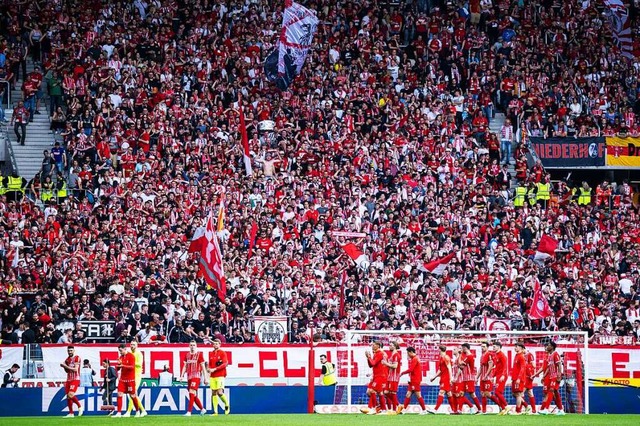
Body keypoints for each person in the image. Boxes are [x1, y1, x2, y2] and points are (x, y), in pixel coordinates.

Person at [113, 343, 145, 418]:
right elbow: (118, 369)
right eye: (119, 351)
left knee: (133, 396)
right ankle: (119, 413)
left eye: (121, 350)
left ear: (125, 349)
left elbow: (132, 367)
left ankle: (137, 411)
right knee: (119, 394)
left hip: (130, 380)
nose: (120, 352)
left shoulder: (131, 356)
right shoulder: (121, 357)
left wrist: (123, 365)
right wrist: (118, 365)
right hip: (122, 380)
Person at [535, 341, 565, 415]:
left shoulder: (555, 354)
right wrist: (544, 376)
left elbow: (559, 364)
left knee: (551, 390)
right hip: (551, 375)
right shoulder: (549, 356)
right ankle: (561, 410)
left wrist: (559, 375)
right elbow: (548, 367)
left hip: (555, 375)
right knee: (555, 392)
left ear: (552, 347)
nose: (547, 347)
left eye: (548, 345)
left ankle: (546, 409)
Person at [360, 340, 387, 415]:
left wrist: (369, 357)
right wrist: (368, 358)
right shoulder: (375, 354)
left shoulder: (380, 353)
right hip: (375, 375)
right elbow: (371, 365)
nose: (372, 346)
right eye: (372, 345)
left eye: (374, 345)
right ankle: (382, 409)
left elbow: (373, 363)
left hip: (380, 376)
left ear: (378, 346)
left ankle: (374, 408)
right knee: (379, 393)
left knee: (372, 391)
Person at [397, 346, 427, 415]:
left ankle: (424, 410)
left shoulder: (415, 359)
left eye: (408, 353)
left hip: (415, 380)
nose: (407, 355)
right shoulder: (415, 358)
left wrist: (402, 373)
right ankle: (404, 410)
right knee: (408, 394)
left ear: (411, 352)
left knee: (418, 395)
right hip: (413, 380)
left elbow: (411, 369)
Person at [181, 340, 207, 416]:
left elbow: (203, 367)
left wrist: (205, 378)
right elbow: (185, 366)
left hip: (196, 376)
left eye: (194, 345)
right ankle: (202, 409)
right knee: (193, 395)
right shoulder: (187, 355)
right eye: (191, 345)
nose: (192, 347)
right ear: (189, 346)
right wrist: (182, 375)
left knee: (192, 392)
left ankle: (189, 412)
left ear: (196, 346)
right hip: (189, 376)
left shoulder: (199, 355)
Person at [477, 341, 500, 414]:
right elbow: (481, 367)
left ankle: (501, 405)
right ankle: (484, 411)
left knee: (488, 394)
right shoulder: (482, 355)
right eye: (481, 346)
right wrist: (477, 377)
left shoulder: (489, 354)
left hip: (488, 378)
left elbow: (490, 366)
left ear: (487, 347)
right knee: (482, 394)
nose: (482, 348)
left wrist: (486, 375)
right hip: (482, 378)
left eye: (484, 346)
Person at [208, 338, 229, 416]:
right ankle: (215, 412)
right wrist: (209, 369)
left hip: (220, 375)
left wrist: (215, 369)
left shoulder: (223, 353)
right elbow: (210, 364)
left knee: (220, 392)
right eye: (214, 343)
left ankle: (227, 405)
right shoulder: (211, 353)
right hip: (212, 376)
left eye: (217, 343)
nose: (215, 345)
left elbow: (225, 364)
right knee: (213, 392)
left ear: (220, 344)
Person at [125, 340, 147, 416]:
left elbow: (139, 364)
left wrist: (131, 363)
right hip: (130, 375)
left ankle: (128, 412)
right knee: (133, 394)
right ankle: (143, 411)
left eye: (133, 344)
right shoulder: (129, 353)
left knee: (132, 393)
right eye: (131, 344)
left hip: (137, 375)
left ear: (137, 345)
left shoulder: (139, 354)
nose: (132, 346)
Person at [60, 345, 83, 417]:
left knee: (71, 394)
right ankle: (71, 413)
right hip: (68, 379)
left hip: (75, 379)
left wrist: (65, 366)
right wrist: (64, 367)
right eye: (68, 351)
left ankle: (80, 407)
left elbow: (76, 369)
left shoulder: (77, 358)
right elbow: (67, 371)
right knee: (68, 396)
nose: (70, 352)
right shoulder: (67, 359)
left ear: (74, 351)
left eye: (71, 350)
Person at [430, 345, 454, 414]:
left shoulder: (446, 358)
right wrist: (434, 377)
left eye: (438, 349)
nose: (438, 350)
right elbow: (440, 370)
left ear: (440, 350)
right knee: (449, 394)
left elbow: (449, 368)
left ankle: (435, 409)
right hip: (443, 378)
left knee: (441, 392)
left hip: (446, 378)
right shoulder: (441, 358)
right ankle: (453, 410)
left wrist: (450, 378)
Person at [459, 343, 481, 413]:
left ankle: (479, 409)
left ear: (465, 348)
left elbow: (461, 366)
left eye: (462, 348)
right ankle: (459, 410)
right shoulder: (467, 356)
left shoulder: (469, 356)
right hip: (465, 378)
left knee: (472, 394)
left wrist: (459, 357)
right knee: (461, 393)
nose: (462, 350)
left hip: (469, 378)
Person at [382, 342, 401, 413]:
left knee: (393, 393)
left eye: (391, 345)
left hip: (394, 377)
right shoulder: (392, 355)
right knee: (386, 392)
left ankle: (394, 410)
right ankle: (398, 405)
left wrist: (386, 363)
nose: (389, 346)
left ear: (395, 346)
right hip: (390, 376)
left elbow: (395, 366)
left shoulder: (396, 355)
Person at [492, 341, 509, 415]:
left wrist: (503, 375)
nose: (493, 348)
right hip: (498, 375)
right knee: (498, 393)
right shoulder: (496, 355)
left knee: (497, 392)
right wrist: (493, 376)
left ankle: (506, 406)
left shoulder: (502, 355)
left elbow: (505, 366)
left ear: (499, 347)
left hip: (502, 375)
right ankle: (503, 409)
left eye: (494, 346)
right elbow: (496, 368)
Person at [510, 343, 527, 415]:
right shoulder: (516, 356)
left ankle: (518, 411)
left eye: (516, 347)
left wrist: (519, 378)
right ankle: (526, 406)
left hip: (519, 378)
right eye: (515, 346)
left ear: (521, 348)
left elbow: (523, 368)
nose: (515, 348)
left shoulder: (521, 357)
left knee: (518, 394)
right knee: (514, 394)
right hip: (515, 378)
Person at [523, 350, 538, 414]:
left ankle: (522, 408)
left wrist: (533, 375)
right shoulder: (522, 355)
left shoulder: (529, 354)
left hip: (527, 376)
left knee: (520, 393)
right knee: (530, 392)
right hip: (526, 376)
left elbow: (534, 365)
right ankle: (533, 409)